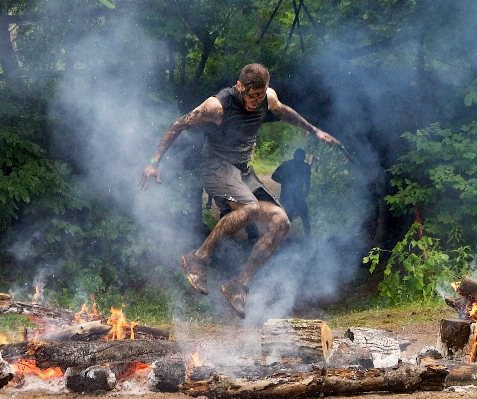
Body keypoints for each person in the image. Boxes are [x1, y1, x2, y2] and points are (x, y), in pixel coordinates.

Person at [138, 63, 340, 318]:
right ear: (239, 86)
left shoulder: (269, 98)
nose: (255, 102)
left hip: (243, 172)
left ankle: (238, 284)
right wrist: (153, 163)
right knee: (251, 208)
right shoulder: (216, 106)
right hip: (215, 167)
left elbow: (284, 112)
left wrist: (315, 131)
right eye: (250, 95)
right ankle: (197, 258)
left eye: (260, 95)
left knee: (282, 223)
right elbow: (177, 125)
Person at [271, 149, 311, 236]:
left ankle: (308, 238)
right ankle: (280, 238)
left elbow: (308, 181)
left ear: (303, 157)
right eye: (298, 156)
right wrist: (284, 182)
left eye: (301, 157)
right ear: (294, 156)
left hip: (299, 196)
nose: (299, 159)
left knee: (304, 217)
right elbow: (274, 176)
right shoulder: (286, 165)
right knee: (286, 217)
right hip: (286, 195)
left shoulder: (305, 167)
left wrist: (306, 191)